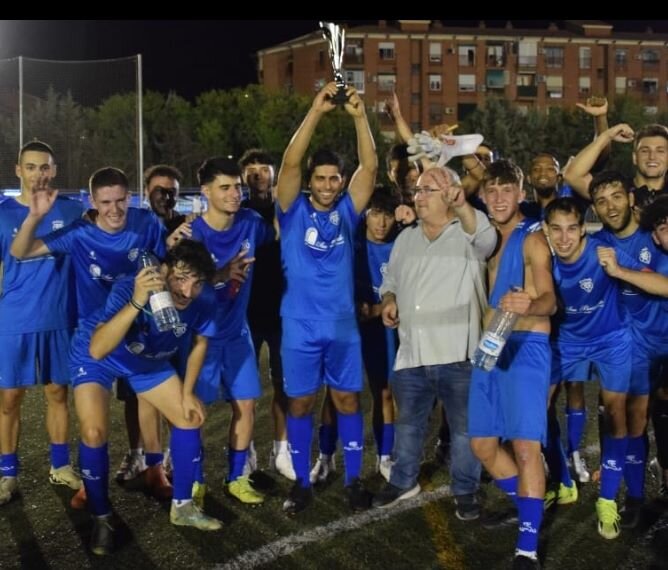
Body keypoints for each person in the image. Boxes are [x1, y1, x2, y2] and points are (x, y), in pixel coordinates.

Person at [10, 167, 168, 504]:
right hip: (93, 338)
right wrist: (35, 216)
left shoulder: (147, 223)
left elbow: (164, 264)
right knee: (93, 425)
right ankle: (91, 482)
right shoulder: (79, 233)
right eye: (105, 202)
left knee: (149, 401)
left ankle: (155, 469)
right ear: (92, 201)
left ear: (130, 197)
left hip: (138, 329)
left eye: (121, 200)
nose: (114, 209)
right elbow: (20, 252)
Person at [71, 239, 222, 554]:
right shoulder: (131, 287)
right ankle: (101, 516)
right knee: (94, 431)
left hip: (146, 361)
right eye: (180, 278)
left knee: (189, 417)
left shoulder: (204, 298)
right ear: (164, 270)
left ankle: (182, 507)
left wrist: (187, 390)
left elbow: (200, 344)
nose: (187, 290)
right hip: (99, 355)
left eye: (196, 282)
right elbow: (98, 347)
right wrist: (138, 301)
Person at [275, 81, 377, 515]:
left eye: (335, 177)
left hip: (341, 326)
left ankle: (353, 480)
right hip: (299, 325)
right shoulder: (291, 208)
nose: (329, 184)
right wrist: (315, 111)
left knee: (348, 400)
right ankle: (301, 482)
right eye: (321, 178)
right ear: (310, 182)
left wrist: (358, 117)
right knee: (300, 402)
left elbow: (369, 169)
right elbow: (290, 161)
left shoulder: (347, 211)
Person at [372, 165, 495, 521]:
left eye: (427, 191)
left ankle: (466, 490)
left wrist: (463, 205)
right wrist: (390, 300)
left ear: (449, 196)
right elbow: (389, 280)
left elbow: (487, 240)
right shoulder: (405, 238)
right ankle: (402, 480)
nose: (418, 196)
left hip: (460, 352)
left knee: (463, 430)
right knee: (409, 424)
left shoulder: (468, 233)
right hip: (411, 350)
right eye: (418, 190)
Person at [541, 197, 667, 537]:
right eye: (556, 229)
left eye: (571, 229)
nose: (564, 238)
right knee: (539, 409)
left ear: (583, 230)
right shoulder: (542, 261)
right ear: (546, 231)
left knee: (616, 415)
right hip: (566, 342)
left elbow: (660, 282)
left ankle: (608, 500)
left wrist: (619, 271)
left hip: (612, 340)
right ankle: (564, 481)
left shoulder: (601, 253)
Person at [468, 160, 556, 569]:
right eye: (492, 190)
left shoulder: (532, 238)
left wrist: (530, 304)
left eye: (508, 190)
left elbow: (550, 301)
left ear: (520, 194)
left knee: (525, 448)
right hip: (490, 346)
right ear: (483, 195)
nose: (500, 198)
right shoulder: (483, 239)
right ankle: (529, 507)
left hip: (525, 345)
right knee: (483, 444)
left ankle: (527, 549)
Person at [0, 140, 83, 505]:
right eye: (31, 167)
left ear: (55, 171)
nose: (38, 174)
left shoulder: (72, 210)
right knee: (9, 398)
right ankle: (7, 473)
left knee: (57, 393)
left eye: (45, 167)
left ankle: (60, 464)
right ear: (18, 171)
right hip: (14, 319)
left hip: (58, 318)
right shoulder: (2, 214)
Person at [191, 156, 275, 505]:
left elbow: (283, 229)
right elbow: (180, 285)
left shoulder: (251, 222)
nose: (234, 193)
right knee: (195, 411)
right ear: (206, 191)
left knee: (246, 405)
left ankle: (236, 477)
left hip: (237, 333)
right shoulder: (192, 234)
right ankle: (193, 481)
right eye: (225, 187)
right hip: (201, 337)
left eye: (237, 187)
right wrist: (220, 275)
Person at [589, 170, 668, 529]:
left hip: (661, 344)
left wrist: (620, 270)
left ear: (631, 198)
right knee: (626, 420)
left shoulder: (656, 236)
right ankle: (629, 497)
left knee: (652, 422)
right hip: (627, 347)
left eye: (617, 196)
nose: (611, 206)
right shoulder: (596, 242)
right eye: (602, 201)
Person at [239, 149, 295, 481]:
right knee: (244, 390)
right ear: (244, 177)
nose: (259, 174)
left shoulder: (287, 208)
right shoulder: (237, 211)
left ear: (274, 174)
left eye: (264, 169)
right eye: (252, 170)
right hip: (245, 314)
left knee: (283, 385)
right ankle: (246, 453)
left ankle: (282, 450)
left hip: (283, 311)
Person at [564, 122, 668, 213]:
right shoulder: (615, 188)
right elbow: (572, 176)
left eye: (660, 151)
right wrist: (607, 135)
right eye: (645, 151)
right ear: (635, 157)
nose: (652, 157)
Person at [145, 164, 186, 235]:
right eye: (158, 191)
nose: (166, 197)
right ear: (147, 192)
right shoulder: (136, 226)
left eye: (171, 192)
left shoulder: (186, 225)